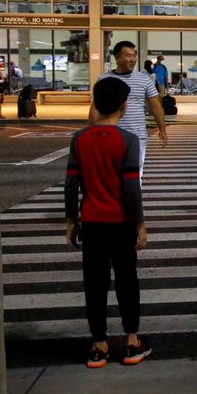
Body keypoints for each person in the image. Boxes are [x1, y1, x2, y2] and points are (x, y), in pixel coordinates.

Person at [65, 76, 150, 368]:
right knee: (127, 280)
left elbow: (71, 184)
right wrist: (139, 222)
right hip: (121, 222)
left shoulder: (79, 139)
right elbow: (131, 187)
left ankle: (98, 345)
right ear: (124, 107)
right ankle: (131, 342)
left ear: (96, 104)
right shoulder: (128, 140)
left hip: (91, 222)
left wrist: (70, 219)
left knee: (95, 282)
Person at [92, 41, 167, 174]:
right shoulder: (104, 80)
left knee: (134, 175)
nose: (133, 59)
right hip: (109, 136)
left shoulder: (144, 79)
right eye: (128, 56)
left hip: (137, 137)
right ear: (117, 58)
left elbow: (155, 106)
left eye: (134, 55)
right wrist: (92, 132)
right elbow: (95, 108)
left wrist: (162, 129)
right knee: (110, 174)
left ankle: (133, 195)